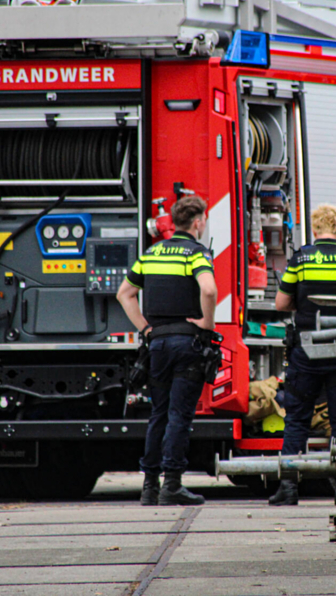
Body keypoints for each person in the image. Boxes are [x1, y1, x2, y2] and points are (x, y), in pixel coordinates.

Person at [269, 204, 336, 505]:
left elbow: (281, 303)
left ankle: (288, 487)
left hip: (307, 351)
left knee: (297, 419)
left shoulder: (301, 258)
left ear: (315, 229)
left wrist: (303, 306)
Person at [117, 195, 218, 506]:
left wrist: (145, 328)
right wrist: (207, 323)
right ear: (197, 222)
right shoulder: (196, 253)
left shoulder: (152, 253)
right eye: (204, 220)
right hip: (187, 344)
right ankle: (172, 484)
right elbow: (209, 289)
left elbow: (124, 293)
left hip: (157, 345)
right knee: (179, 415)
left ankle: (149, 487)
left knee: (158, 414)